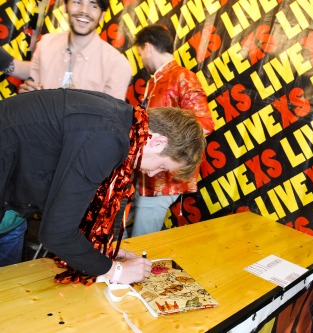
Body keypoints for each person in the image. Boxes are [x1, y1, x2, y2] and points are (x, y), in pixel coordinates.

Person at [0, 89, 206, 284]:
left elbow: (67, 199)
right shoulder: (106, 139)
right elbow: (56, 233)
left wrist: (102, 251)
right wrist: (116, 271)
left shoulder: (119, 120)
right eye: (162, 166)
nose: (152, 174)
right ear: (158, 142)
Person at [130, 24, 214, 237]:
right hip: (148, 175)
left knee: (141, 240)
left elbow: (204, 124)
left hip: (164, 180)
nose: (142, 60)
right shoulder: (156, 81)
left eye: (140, 54)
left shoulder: (182, 77)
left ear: (147, 47)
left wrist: (168, 150)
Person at [18, 0, 131, 100]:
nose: (84, 10)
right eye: (77, 2)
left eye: (94, 5)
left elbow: (111, 119)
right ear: (65, 7)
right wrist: (28, 96)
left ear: (102, 16)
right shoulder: (45, 45)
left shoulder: (117, 65)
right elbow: (31, 94)